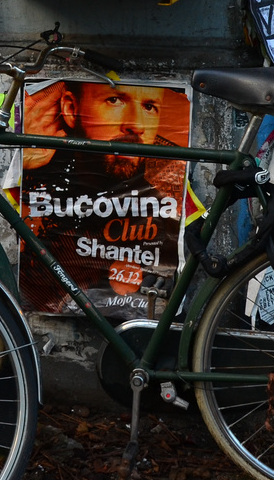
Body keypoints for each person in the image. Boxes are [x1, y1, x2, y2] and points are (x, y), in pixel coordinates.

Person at [19, 81, 185, 316]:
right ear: (69, 108)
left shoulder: (171, 185)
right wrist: (21, 166)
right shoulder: (38, 175)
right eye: (115, 100)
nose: (136, 125)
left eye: (149, 106)